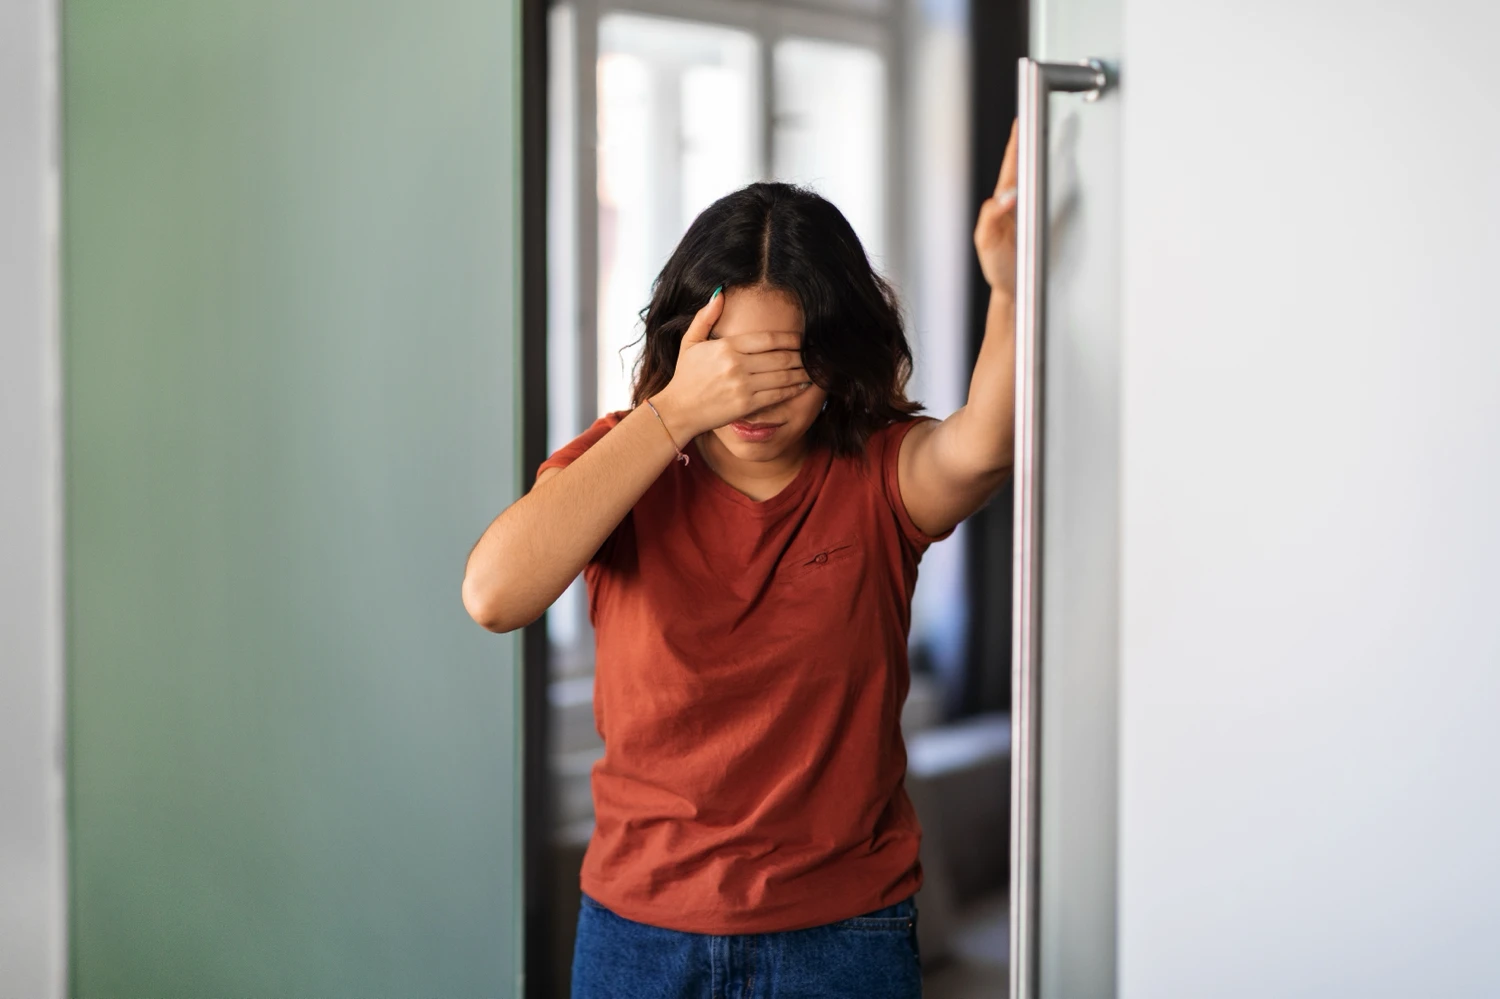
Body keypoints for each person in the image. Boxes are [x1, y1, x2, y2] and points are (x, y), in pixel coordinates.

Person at [463, 122, 1022, 999]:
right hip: (639, 936)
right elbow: (494, 594)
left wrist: (1012, 290)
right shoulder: (625, 465)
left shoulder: (878, 474)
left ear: (837, 365)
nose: (753, 404)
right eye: (732, 369)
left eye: (785, 371)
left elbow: (984, 445)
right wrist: (674, 414)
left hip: (846, 937)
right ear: (689, 351)